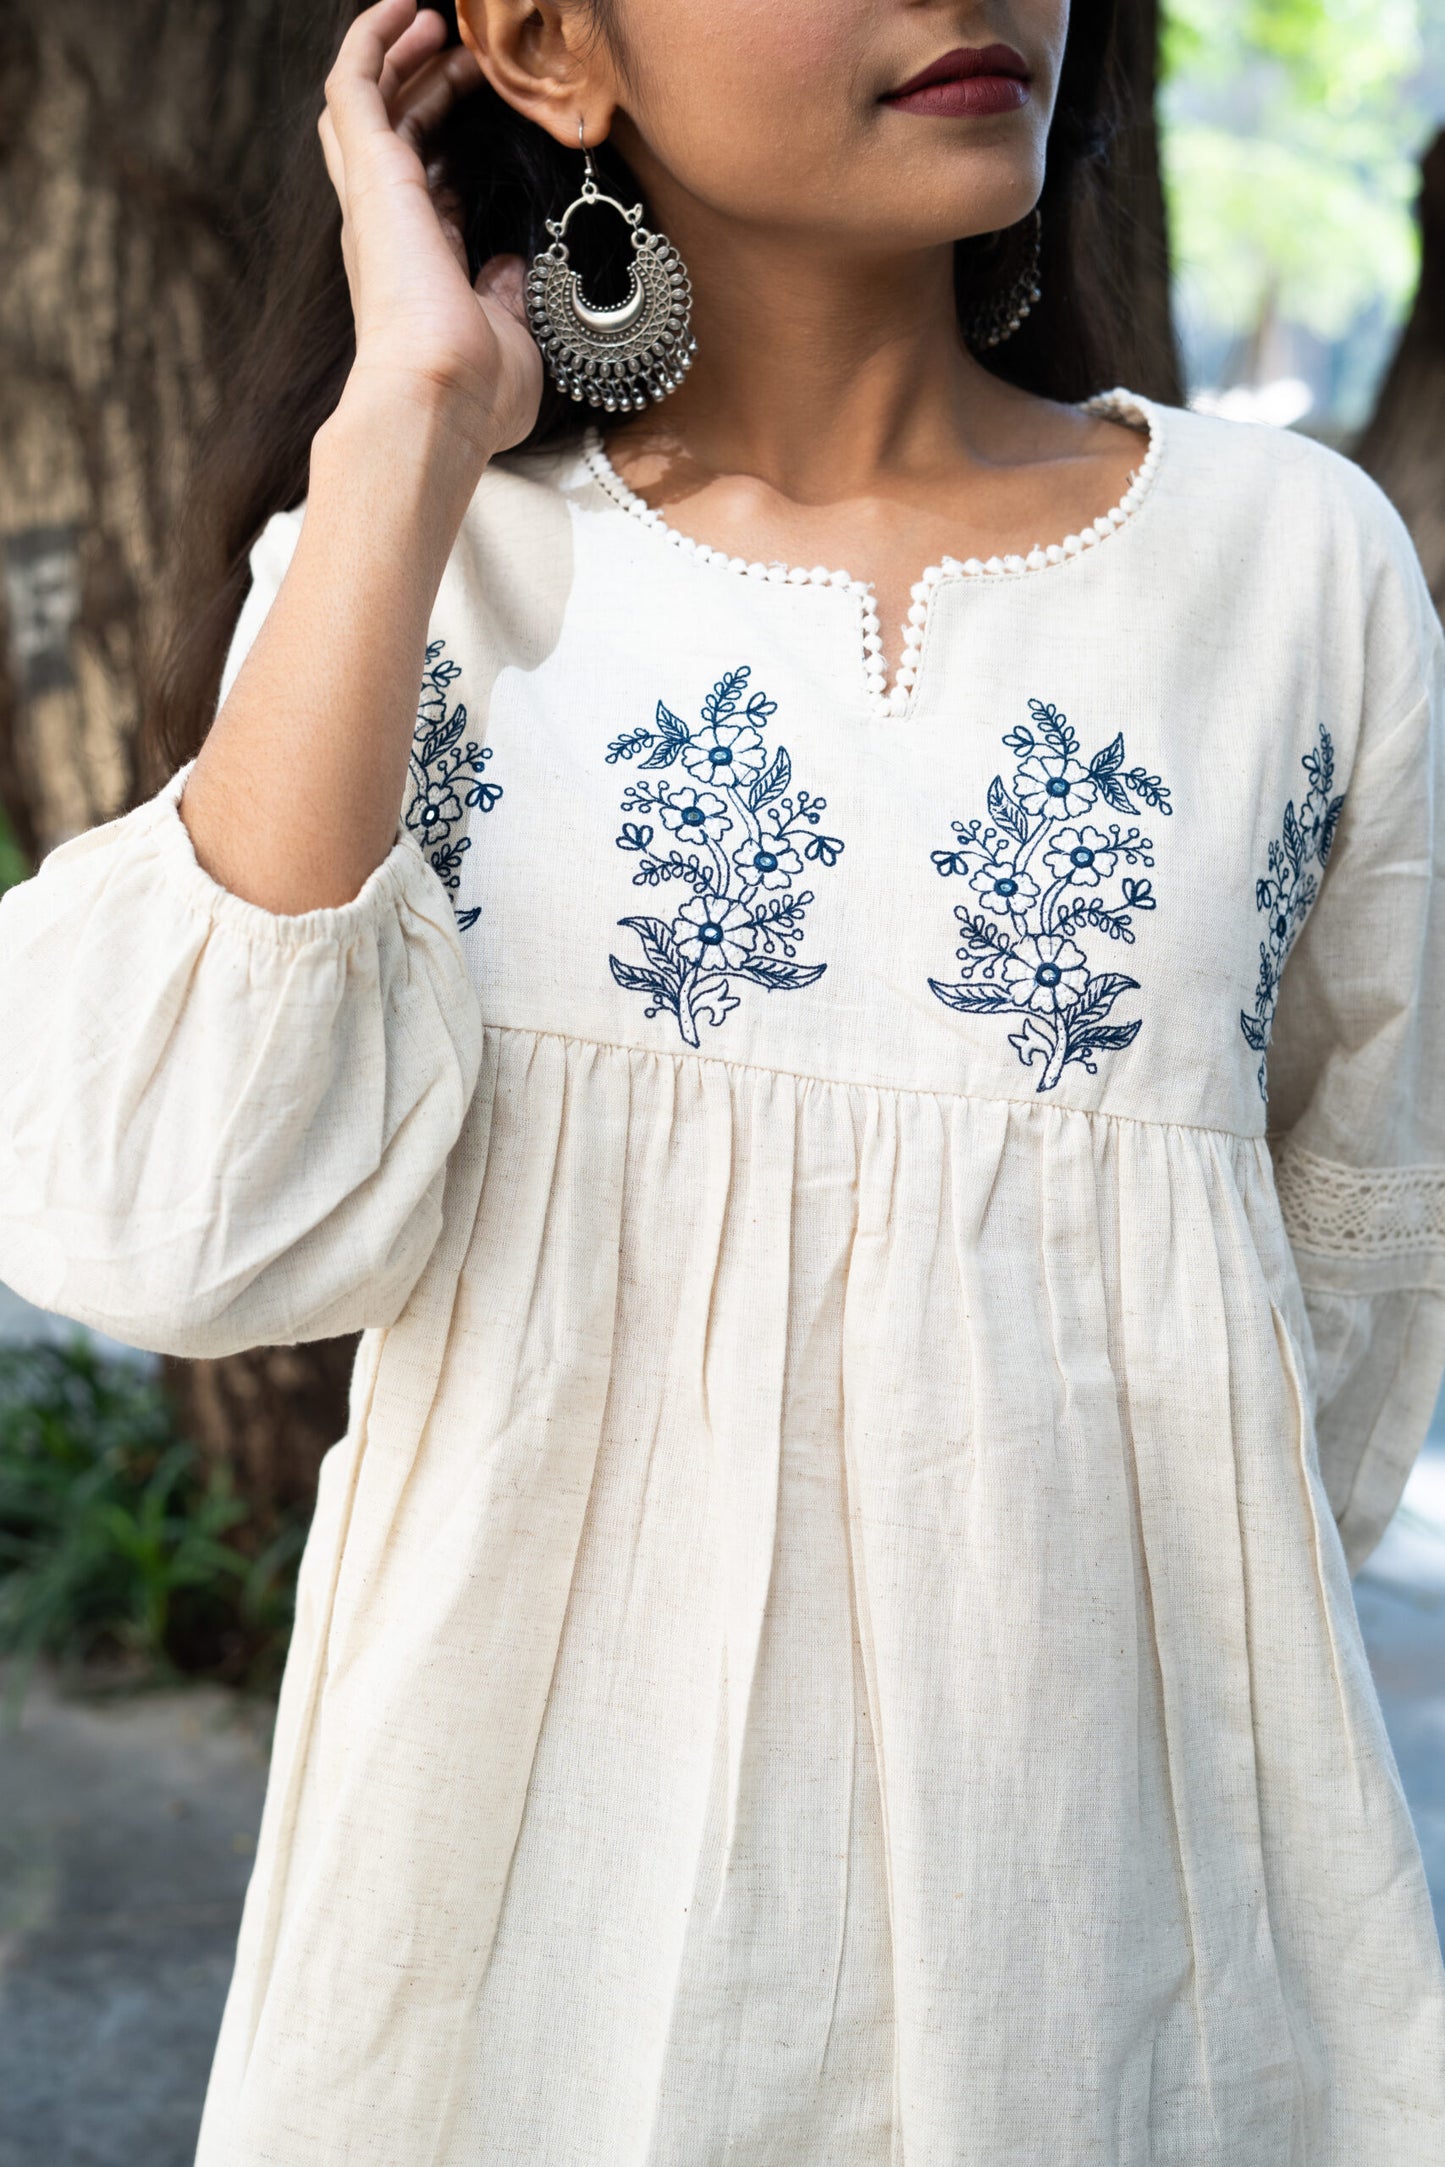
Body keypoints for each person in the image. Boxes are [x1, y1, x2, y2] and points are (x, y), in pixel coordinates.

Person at [2, 0, 1443, 2158]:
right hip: (519, 1946)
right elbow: (177, 1220)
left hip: (1116, 1935)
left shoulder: (1293, 565)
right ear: (548, 52)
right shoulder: (416, 570)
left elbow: (1354, 1253)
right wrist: (402, 425)